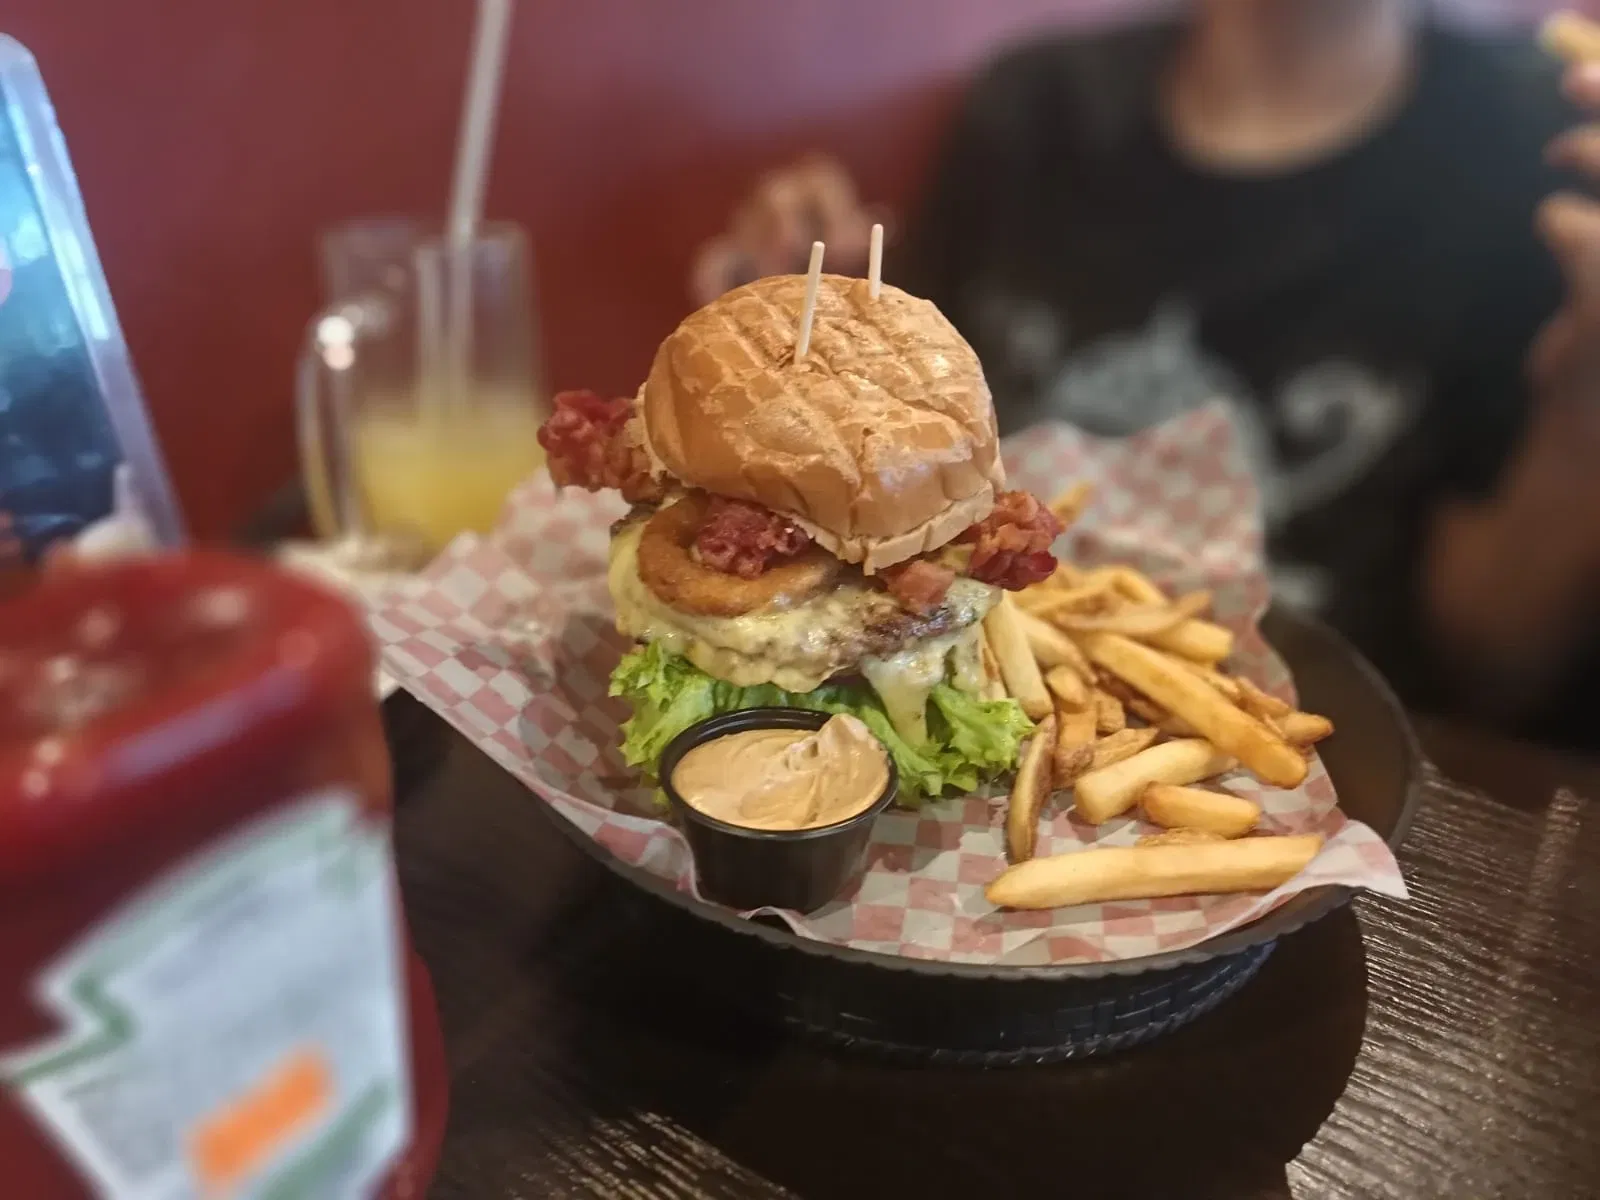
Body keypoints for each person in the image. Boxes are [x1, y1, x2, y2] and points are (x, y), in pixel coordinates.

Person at [691, 0, 1600, 751]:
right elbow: (907, 474)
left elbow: (1495, 670)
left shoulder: (1544, 156)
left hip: (1346, 779)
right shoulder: (1031, 106)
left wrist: (1587, 402)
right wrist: (796, 361)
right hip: (955, 738)